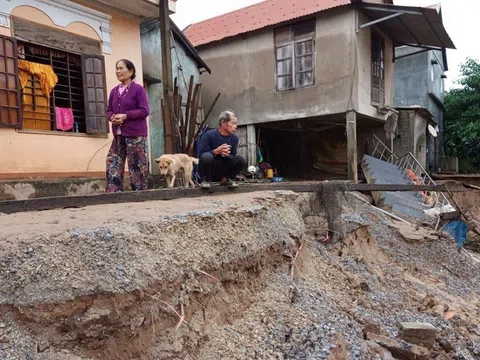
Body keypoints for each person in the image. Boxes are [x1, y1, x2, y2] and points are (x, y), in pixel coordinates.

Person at [106, 59, 150, 192]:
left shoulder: (138, 89)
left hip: (135, 134)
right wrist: (112, 117)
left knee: (137, 164)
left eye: (121, 68)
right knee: (113, 160)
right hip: (119, 134)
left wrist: (126, 116)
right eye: (116, 68)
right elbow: (109, 109)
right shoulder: (114, 91)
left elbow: (144, 110)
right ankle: (113, 191)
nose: (118, 71)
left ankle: (139, 192)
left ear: (130, 71)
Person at [198, 110, 247, 189]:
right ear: (223, 123)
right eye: (233, 123)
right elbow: (201, 156)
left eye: (236, 124)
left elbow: (233, 159)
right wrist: (216, 151)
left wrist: (226, 155)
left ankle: (226, 179)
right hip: (210, 170)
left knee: (241, 159)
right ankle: (206, 180)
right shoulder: (209, 135)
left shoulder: (234, 138)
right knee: (206, 156)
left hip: (223, 170)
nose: (235, 126)